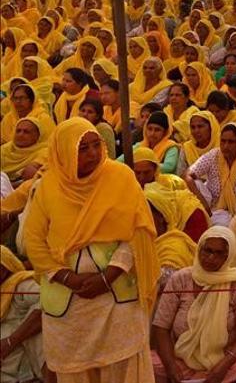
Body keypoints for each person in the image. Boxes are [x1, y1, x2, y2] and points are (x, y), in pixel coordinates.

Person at [23, 117, 160, 383]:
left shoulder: (121, 177)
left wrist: (108, 276)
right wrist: (66, 277)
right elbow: (34, 240)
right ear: (64, 152)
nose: (93, 154)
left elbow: (138, 232)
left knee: (123, 367)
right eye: (82, 148)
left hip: (116, 297)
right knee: (74, 372)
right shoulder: (48, 186)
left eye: (95, 145)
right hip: (68, 303)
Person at [151, 226, 236, 383]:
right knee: (149, 362)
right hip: (181, 359)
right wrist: (170, 365)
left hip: (222, 360)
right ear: (199, 250)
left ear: (229, 256)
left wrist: (223, 366)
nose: (211, 258)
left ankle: (203, 379)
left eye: (219, 254)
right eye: (207, 251)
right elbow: (161, 326)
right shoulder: (181, 279)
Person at [186, 123, 236, 226]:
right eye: (223, 141)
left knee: (221, 224)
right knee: (193, 184)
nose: (226, 146)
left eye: (231, 142)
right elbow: (187, 175)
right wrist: (203, 203)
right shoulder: (214, 155)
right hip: (210, 204)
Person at [0, 245, 43, 382]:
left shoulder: (20, 283)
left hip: (25, 374)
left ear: (3, 268)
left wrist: (10, 341)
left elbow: (48, 303)